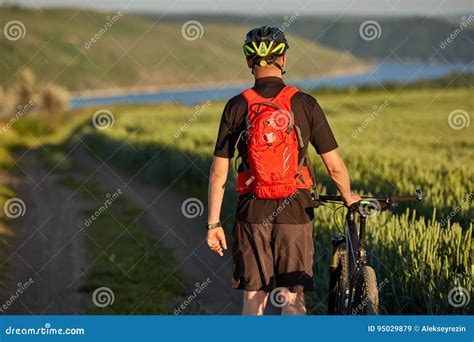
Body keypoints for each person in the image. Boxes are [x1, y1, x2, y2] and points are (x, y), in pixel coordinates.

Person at [206, 26, 361, 315]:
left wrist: (213, 224)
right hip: (295, 210)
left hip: (252, 213)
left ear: (249, 62)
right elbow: (334, 166)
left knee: (254, 297)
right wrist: (348, 195)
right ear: (284, 60)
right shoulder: (305, 103)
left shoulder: (236, 106)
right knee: (292, 298)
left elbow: (218, 173)